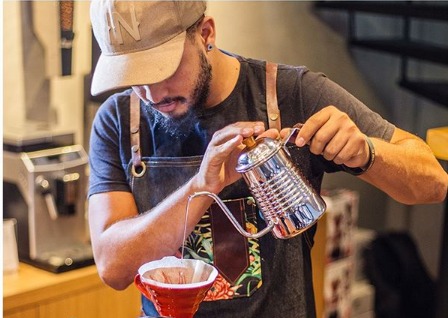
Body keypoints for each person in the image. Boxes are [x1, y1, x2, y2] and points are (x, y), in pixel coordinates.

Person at [87, 1, 448, 317]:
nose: (152, 93)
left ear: (206, 33)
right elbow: (113, 267)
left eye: (162, 69)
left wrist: (367, 152)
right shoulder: (119, 121)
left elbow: (433, 182)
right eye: (134, 77)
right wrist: (203, 185)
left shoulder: (292, 94)